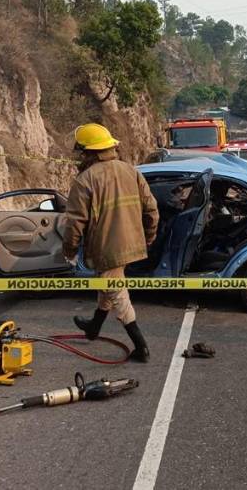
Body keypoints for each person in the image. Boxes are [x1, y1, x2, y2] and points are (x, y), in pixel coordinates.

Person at [64, 123, 160, 362]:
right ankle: (94, 327)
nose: (81, 157)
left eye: (82, 152)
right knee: (109, 283)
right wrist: (149, 237)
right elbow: (151, 209)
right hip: (133, 243)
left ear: (89, 152)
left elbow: (75, 222)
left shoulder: (85, 180)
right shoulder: (131, 170)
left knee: (117, 292)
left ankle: (141, 345)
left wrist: (70, 250)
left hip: (106, 247)